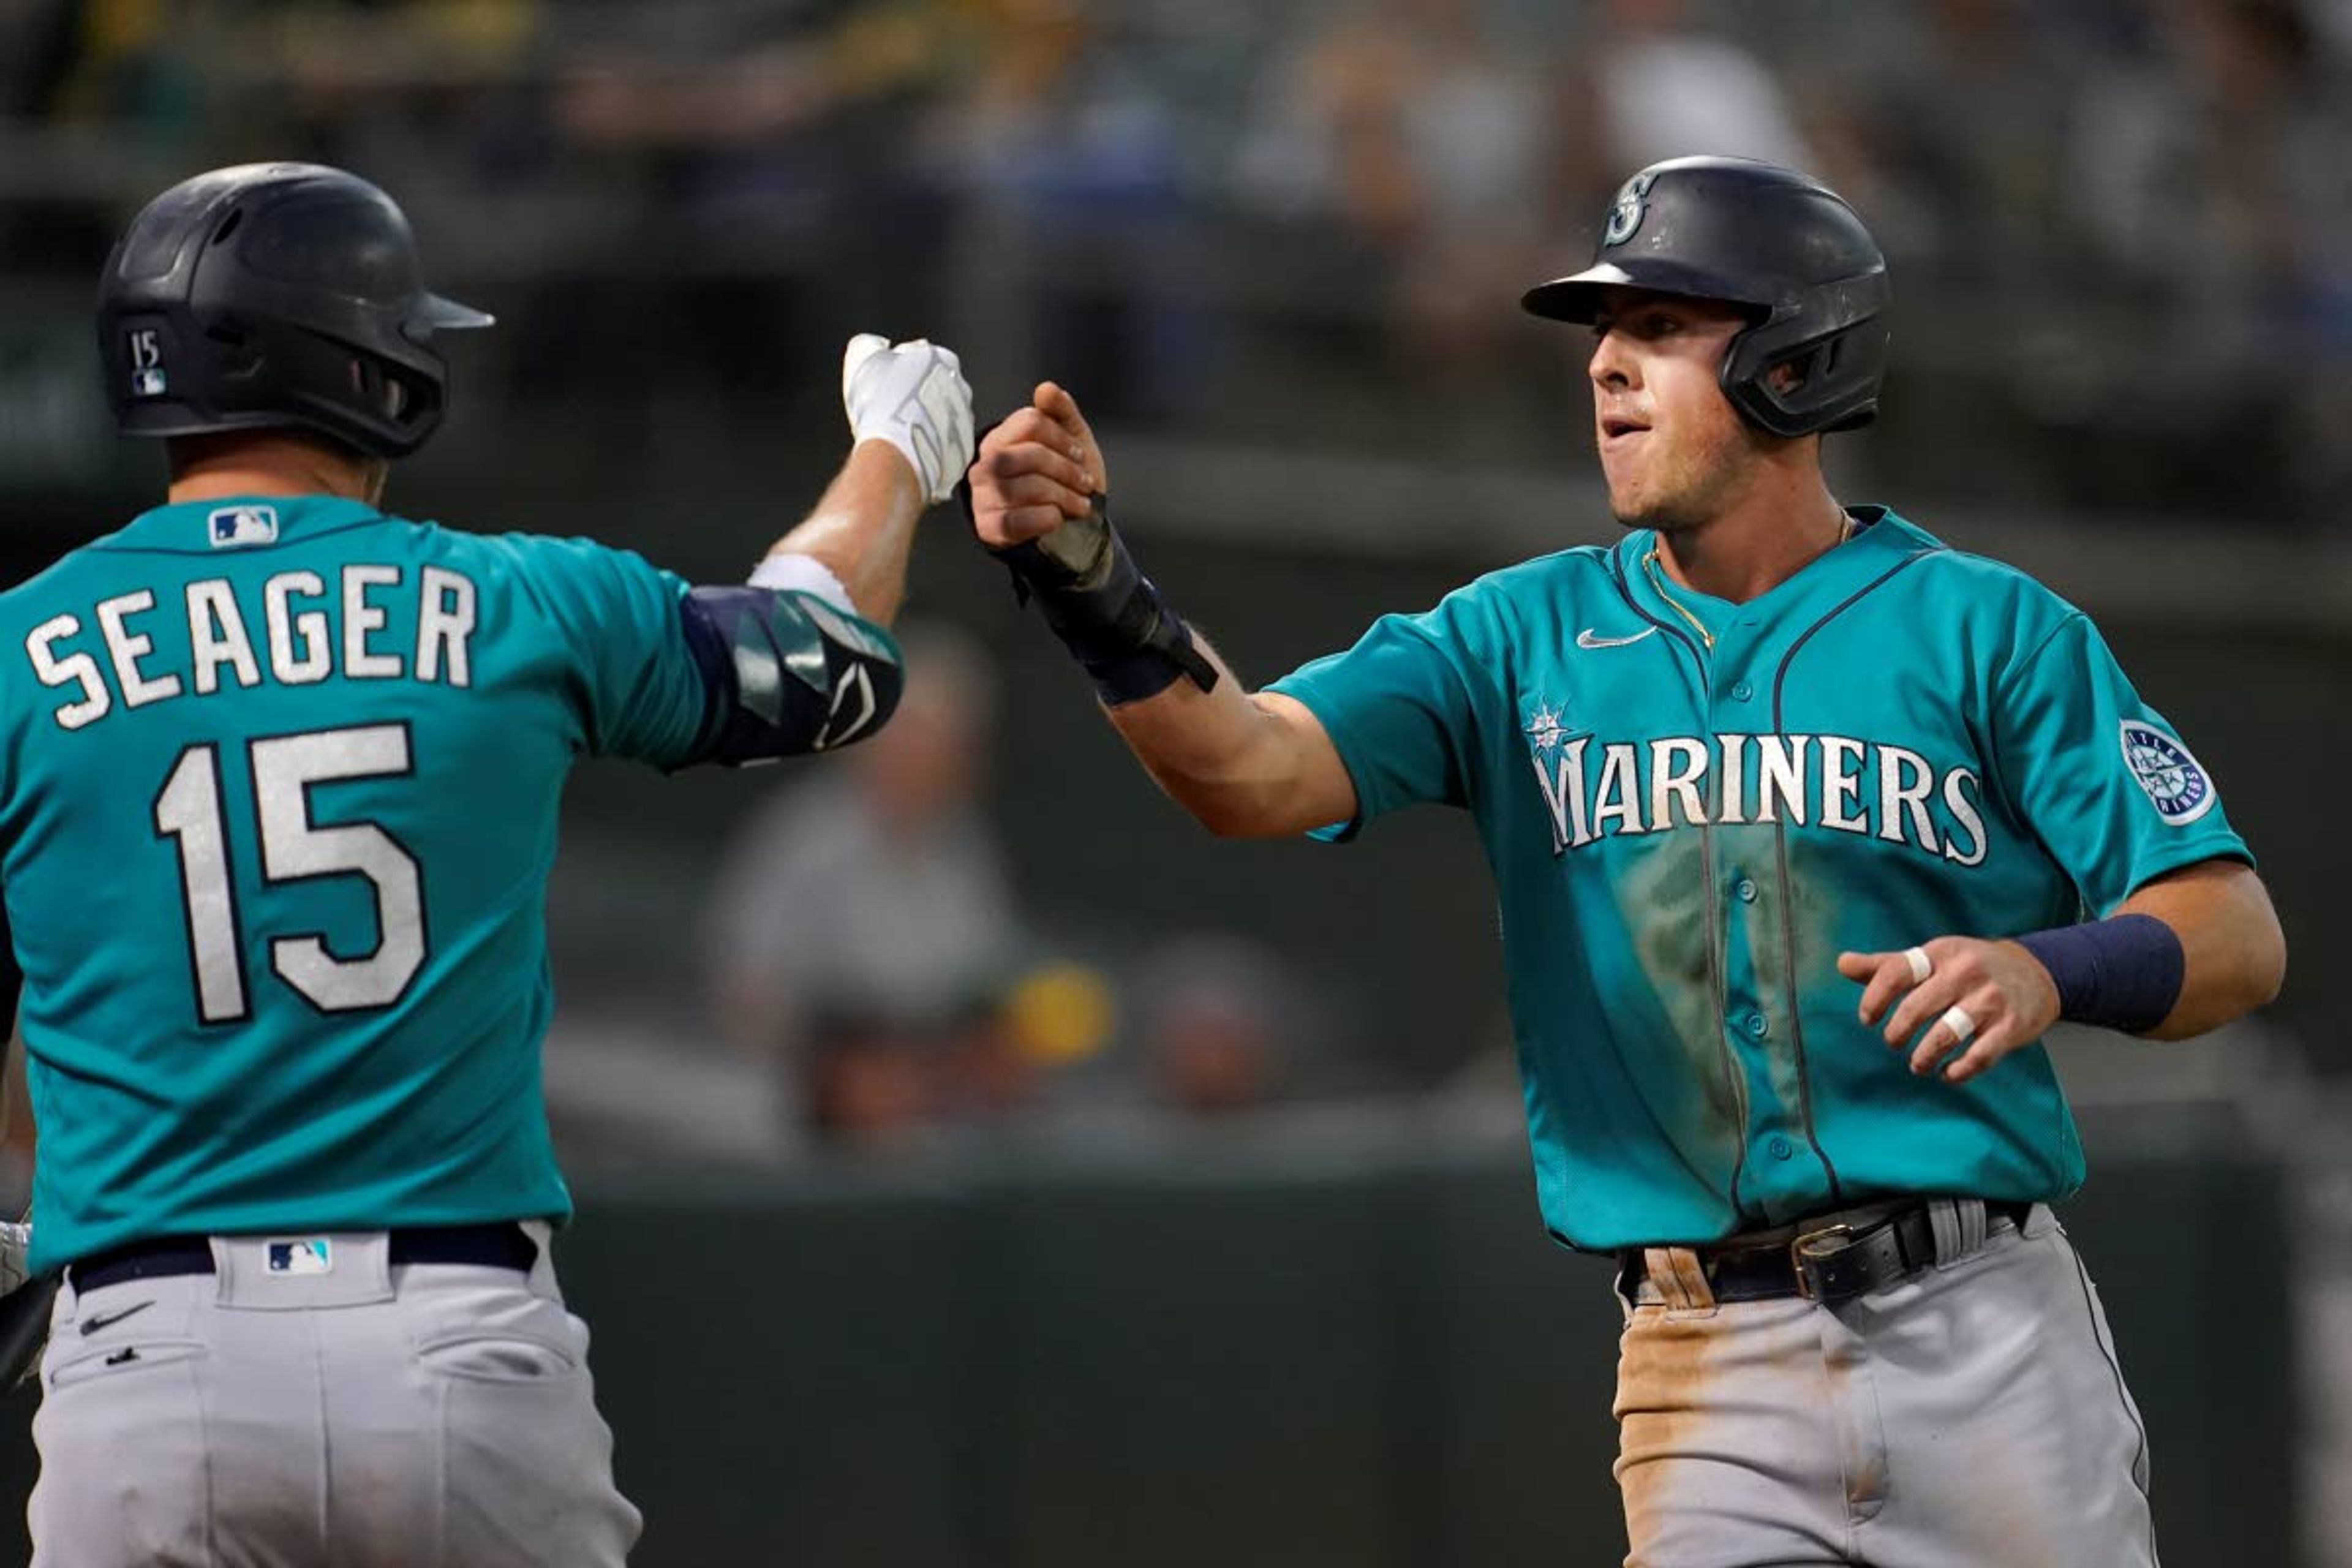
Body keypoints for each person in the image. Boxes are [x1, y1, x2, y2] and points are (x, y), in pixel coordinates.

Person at [963, 154, 2287, 1566]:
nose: (1605, 365)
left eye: (1660, 326)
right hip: (1703, 1362)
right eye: (1604, 333)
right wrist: (1093, 586)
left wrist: (2051, 965)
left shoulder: (1988, 630)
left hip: (1983, 1333)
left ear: (1796, 359)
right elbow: (1247, 769)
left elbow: (2235, 932)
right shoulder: (1511, 639)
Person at [0, 160, 973, 1566]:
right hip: (455, 1343)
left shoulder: (20, 652)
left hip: (152, 1362)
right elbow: (815, 656)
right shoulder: (517, 598)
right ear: (370, 364)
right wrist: (892, 452)